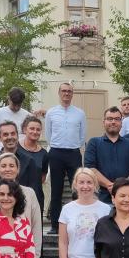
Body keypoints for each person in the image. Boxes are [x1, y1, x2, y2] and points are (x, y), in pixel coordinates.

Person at [0, 152, 43, 258]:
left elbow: (36, 227)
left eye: (11, 165)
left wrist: (36, 257)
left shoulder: (29, 193)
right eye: (3, 166)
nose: (7, 169)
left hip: (24, 257)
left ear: (18, 169)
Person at [45, 82, 86, 234]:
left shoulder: (80, 113)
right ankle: (55, 225)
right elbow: (48, 134)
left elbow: (82, 135)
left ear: (72, 94)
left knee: (78, 188)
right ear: (59, 93)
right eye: (64, 91)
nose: (66, 93)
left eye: (69, 91)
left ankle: (78, 223)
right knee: (56, 190)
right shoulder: (51, 112)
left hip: (73, 153)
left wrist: (75, 146)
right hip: (56, 153)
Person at [84, 106, 129, 203]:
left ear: (121, 123)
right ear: (103, 122)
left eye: (117, 119)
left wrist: (122, 186)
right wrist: (110, 185)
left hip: (126, 199)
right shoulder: (94, 143)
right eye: (110, 119)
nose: (113, 122)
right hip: (100, 199)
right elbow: (90, 168)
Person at [0, 121, 36, 190]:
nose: (10, 137)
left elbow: (34, 190)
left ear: (17, 135)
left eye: (13, 134)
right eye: (5, 134)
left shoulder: (29, 161)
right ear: (0, 138)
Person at [18, 115, 49, 212]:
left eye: (38, 129)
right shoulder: (15, 149)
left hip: (36, 197)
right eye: (31, 128)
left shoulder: (44, 154)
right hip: (17, 195)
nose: (35, 132)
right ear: (24, 130)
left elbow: (43, 177)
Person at [0, 87, 31, 152]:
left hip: (22, 152)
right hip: (3, 152)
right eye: (14, 104)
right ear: (8, 99)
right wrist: (3, 145)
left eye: (19, 105)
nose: (16, 108)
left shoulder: (28, 115)